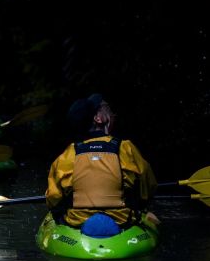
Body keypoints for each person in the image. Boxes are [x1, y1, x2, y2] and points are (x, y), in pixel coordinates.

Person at [45, 94, 159, 237]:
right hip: (123, 221)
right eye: (108, 110)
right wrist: (140, 206)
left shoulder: (67, 155)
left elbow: (53, 199)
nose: (113, 114)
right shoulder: (126, 148)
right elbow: (148, 188)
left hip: (77, 222)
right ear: (98, 119)